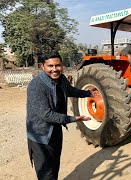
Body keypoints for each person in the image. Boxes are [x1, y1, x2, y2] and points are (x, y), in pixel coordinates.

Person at [27, 51, 95, 179]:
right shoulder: (36, 86)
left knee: (54, 166)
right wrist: (73, 119)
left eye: (57, 65)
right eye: (50, 66)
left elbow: (69, 90)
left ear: (62, 65)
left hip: (56, 129)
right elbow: (46, 114)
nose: (54, 69)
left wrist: (88, 94)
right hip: (40, 134)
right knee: (46, 173)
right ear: (43, 67)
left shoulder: (62, 79)